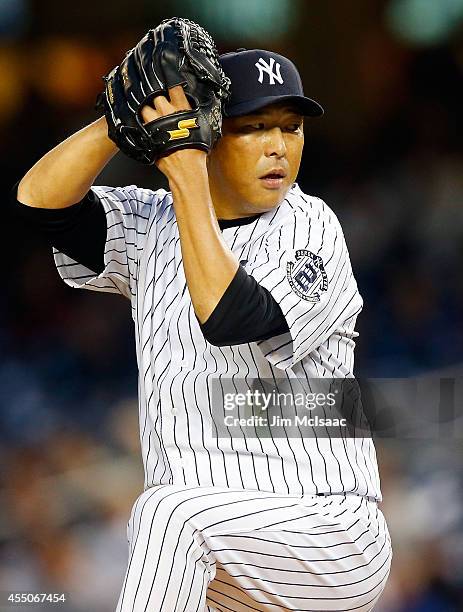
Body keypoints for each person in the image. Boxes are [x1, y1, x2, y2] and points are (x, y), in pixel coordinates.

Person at [12, 48, 392, 611]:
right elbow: (40, 204)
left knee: (167, 512)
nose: (278, 146)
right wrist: (121, 118)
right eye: (253, 127)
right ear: (210, 130)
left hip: (328, 531)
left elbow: (229, 316)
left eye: (291, 127)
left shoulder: (311, 226)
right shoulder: (152, 224)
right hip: (227, 567)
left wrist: (185, 163)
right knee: (169, 519)